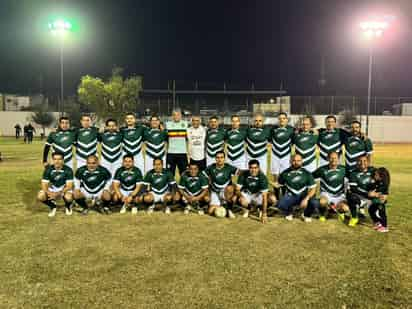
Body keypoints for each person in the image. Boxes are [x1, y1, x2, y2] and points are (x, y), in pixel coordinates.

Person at [277, 154, 317, 222]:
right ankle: (289, 212)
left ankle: (306, 214)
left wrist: (306, 199)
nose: (296, 162)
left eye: (298, 161)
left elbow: (313, 189)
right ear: (290, 161)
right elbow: (280, 185)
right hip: (291, 196)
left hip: (303, 196)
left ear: (302, 161)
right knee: (281, 204)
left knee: (314, 202)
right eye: (294, 160)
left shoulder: (307, 173)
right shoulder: (284, 173)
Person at [313, 151, 349, 222]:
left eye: (335, 158)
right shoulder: (322, 169)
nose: (333, 160)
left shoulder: (343, 169)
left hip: (339, 195)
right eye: (331, 158)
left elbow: (353, 177)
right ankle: (323, 214)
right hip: (326, 194)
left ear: (338, 159)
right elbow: (310, 177)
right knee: (322, 202)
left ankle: (338, 212)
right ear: (328, 159)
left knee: (346, 208)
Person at [203, 151, 238, 218]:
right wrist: (207, 192)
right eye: (218, 157)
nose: (219, 159)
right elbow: (202, 176)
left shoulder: (228, 167)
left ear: (224, 158)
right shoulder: (211, 167)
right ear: (215, 159)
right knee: (210, 211)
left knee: (230, 188)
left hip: (225, 192)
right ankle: (223, 207)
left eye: (221, 157)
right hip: (215, 191)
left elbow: (240, 172)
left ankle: (229, 209)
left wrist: (249, 171)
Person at [37, 152, 74, 217]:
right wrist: (49, 193)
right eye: (55, 159)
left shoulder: (68, 170)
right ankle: (53, 206)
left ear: (63, 160)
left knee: (69, 197)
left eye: (59, 159)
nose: (57, 161)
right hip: (52, 188)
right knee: (40, 196)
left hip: (64, 188)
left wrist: (58, 194)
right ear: (52, 160)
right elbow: (44, 185)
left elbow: (69, 186)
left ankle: (68, 206)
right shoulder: (48, 169)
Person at [346, 156, 376, 227]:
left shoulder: (373, 171)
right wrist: (367, 194)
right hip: (360, 197)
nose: (362, 163)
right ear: (356, 163)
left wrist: (382, 192)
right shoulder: (353, 173)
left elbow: (384, 177)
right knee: (351, 196)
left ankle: (377, 219)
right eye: (360, 161)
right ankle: (354, 217)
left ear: (368, 162)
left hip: (372, 197)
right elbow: (354, 188)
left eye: (364, 161)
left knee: (380, 200)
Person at [166, 108, 189, 177]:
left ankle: (182, 187)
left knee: (184, 173)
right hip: (171, 153)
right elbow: (165, 138)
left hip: (182, 153)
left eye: (178, 115)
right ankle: (171, 187)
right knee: (170, 173)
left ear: (181, 116)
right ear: (172, 116)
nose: (176, 116)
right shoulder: (168, 124)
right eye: (174, 115)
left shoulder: (186, 124)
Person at [368, 167, 390, 233]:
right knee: (371, 210)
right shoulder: (377, 182)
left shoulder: (383, 184)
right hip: (375, 202)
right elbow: (372, 190)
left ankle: (384, 226)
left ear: (381, 176)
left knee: (382, 213)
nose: (374, 176)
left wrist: (373, 194)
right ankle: (378, 222)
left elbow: (379, 193)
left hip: (380, 202)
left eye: (376, 175)